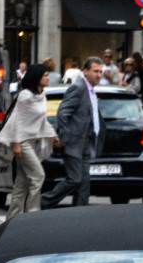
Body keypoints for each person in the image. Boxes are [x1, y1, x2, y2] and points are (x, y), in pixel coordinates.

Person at [41, 57, 105, 208]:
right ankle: (42, 202)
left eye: (101, 72)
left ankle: (80, 213)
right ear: (86, 71)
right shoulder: (78, 88)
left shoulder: (91, 91)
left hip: (86, 143)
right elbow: (63, 113)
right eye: (95, 71)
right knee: (74, 179)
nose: (98, 75)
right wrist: (66, 137)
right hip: (74, 144)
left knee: (84, 182)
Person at [0, 64, 57, 220]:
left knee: (21, 184)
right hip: (22, 143)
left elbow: (41, 120)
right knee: (38, 175)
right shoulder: (25, 96)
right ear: (37, 77)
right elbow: (16, 119)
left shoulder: (41, 96)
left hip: (32, 142)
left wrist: (52, 135)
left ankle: (11, 219)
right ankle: (32, 214)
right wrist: (16, 143)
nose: (48, 78)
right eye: (45, 75)